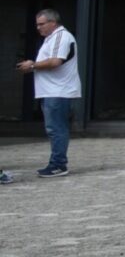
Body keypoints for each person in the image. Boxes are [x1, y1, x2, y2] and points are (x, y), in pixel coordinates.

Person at [16, 9, 79, 177]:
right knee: (54, 128)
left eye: (41, 24)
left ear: (53, 22)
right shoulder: (51, 38)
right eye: (37, 24)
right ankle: (57, 163)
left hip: (58, 91)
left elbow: (55, 61)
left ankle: (58, 164)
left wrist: (32, 65)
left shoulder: (61, 36)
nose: (38, 28)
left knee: (56, 129)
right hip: (52, 91)